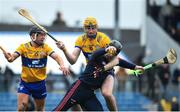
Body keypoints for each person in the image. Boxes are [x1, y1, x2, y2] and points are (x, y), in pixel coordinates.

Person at [53, 40, 144, 111]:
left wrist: (136, 67)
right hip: (78, 89)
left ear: (116, 55)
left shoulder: (115, 61)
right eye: (109, 50)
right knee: (59, 110)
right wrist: (106, 50)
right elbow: (96, 53)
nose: (109, 54)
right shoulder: (97, 56)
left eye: (113, 53)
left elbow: (123, 63)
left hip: (89, 94)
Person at [56, 16, 118, 110]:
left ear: (97, 28)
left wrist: (104, 68)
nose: (91, 30)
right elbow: (72, 60)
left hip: (106, 73)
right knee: (80, 96)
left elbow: (115, 60)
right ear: (84, 28)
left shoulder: (104, 38)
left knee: (107, 94)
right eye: (88, 28)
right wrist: (64, 49)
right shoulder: (81, 40)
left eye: (93, 28)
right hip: (91, 73)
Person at [1, 26, 70, 111]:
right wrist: (8, 57)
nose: (43, 37)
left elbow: (57, 57)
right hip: (25, 83)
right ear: (33, 36)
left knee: (40, 109)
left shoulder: (45, 48)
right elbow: (11, 59)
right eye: (41, 35)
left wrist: (62, 65)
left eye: (44, 35)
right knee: (22, 107)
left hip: (40, 84)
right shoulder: (23, 47)